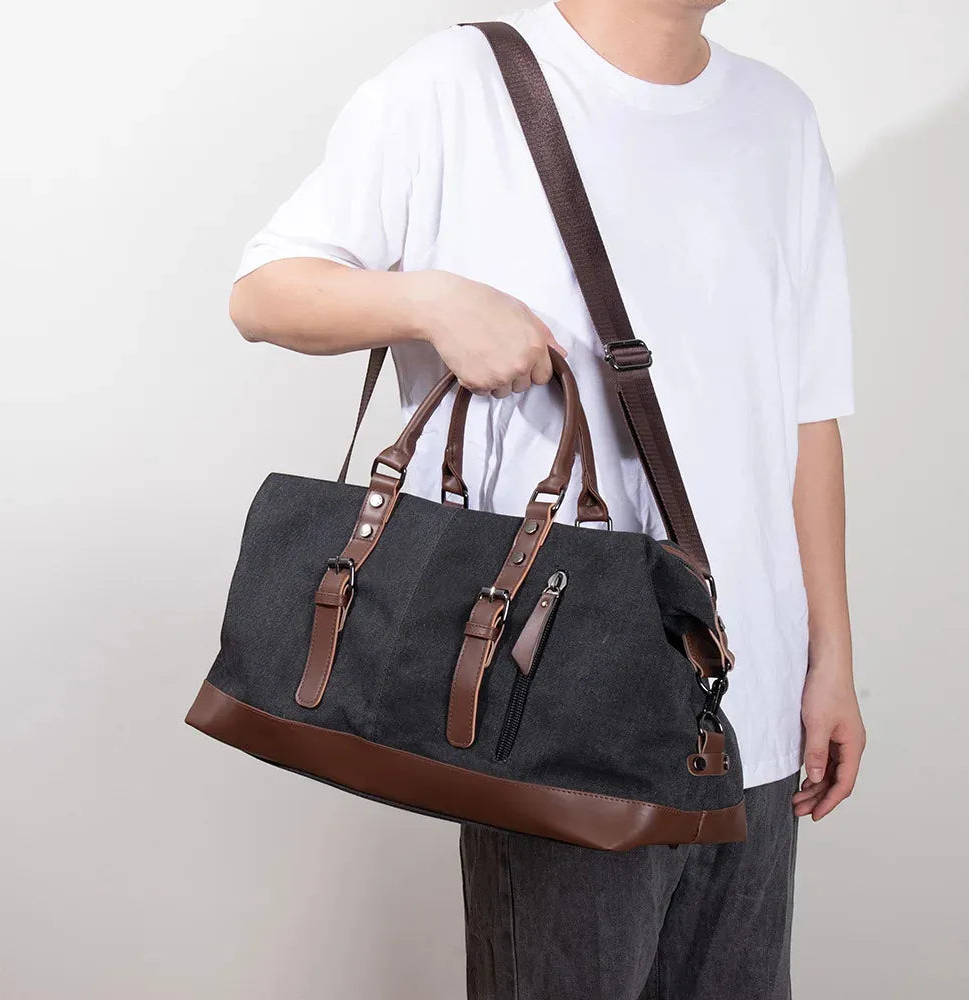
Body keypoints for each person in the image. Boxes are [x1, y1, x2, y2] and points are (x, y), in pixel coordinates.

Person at [228, 1, 866, 996]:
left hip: (750, 696)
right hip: (554, 700)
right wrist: (432, 301)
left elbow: (807, 415)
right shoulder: (458, 84)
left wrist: (831, 661)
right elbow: (264, 291)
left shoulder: (778, 119)